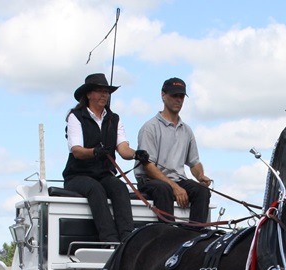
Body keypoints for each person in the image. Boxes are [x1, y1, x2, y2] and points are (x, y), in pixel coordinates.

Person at [63, 73, 141, 243]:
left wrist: (136, 154)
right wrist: (94, 152)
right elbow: (76, 150)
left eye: (106, 91)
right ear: (89, 94)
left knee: (119, 188)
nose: (104, 95)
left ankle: (128, 238)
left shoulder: (114, 119)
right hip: (77, 175)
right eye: (99, 91)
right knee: (95, 189)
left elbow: (123, 149)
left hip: (104, 174)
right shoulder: (75, 117)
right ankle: (110, 240)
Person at [135, 77, 212, 223]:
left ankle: (194, 237)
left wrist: (200, 176)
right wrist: (175, 187)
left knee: (202, 191)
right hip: (150, 180)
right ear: (163, 95)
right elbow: (148, 167)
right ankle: (167, 236)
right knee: (164, 189)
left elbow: (194, 163)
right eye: (174, 95)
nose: (178, 100)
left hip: (177, 180)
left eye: (181, 96)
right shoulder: (150, 128)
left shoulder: (187, 130)